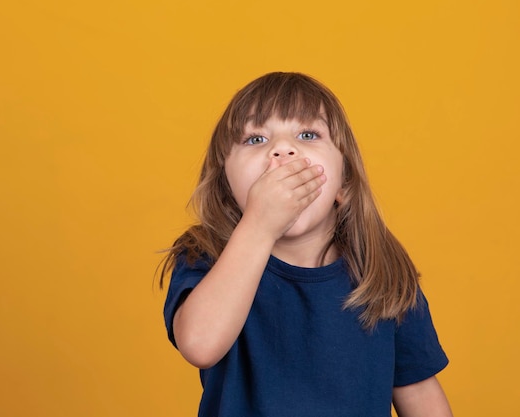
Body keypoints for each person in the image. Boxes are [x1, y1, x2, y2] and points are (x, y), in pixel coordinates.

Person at [159, 72, 452, 417]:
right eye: (255, 139)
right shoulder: (206, 257)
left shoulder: (380, 272)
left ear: (344, 184)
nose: (282, 149)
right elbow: (199, 344)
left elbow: (420, 396)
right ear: (226, 187)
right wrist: (259, 224)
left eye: (308, 134)